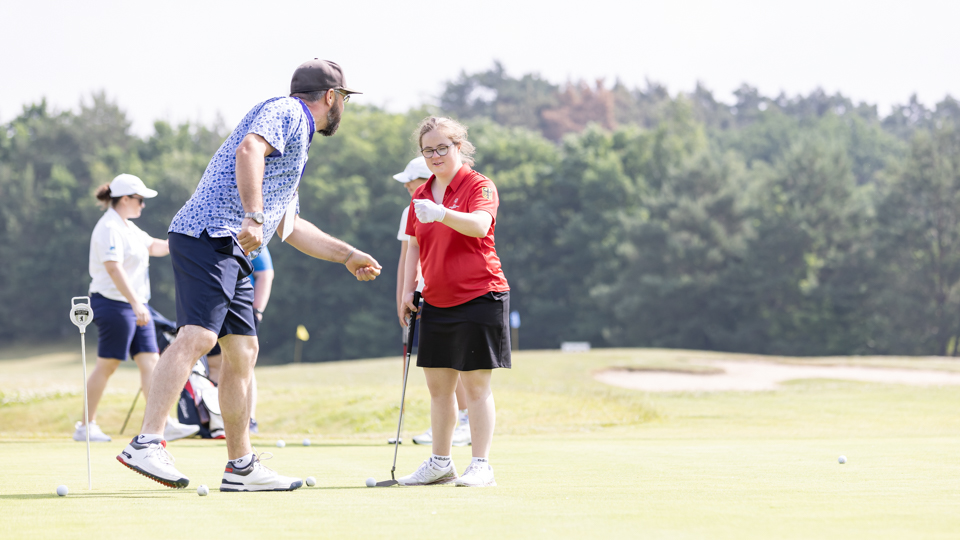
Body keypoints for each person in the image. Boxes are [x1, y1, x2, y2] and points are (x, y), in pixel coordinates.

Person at [117, 59, 382, 491]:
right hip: (210, 234)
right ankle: (148, 441)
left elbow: (291, 228)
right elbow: (249, 150)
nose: (343, 109)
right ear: (332, 98)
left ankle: (241, 467)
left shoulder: (296, 144)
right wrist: (253, 215)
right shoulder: (287, 111)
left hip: (232, 247)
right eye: (344, 101)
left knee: (242, 352)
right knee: (199, 336)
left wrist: (348, 255)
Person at [397, 117, 510, 487]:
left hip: (481, 293)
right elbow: (414, 244)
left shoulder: (480, 185)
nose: (435, 156)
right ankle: (441, 462)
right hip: (436, 299)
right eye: (428, 150)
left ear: (459, 147)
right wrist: (407, 290)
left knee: (476, 386)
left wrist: (443, 214)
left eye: (442, 148)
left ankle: (481, 465)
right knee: (439, 388)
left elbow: (479, 225)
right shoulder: (421, 194)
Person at [78, 174, 199, 444]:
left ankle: (163, 423)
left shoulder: (128, 226)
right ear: (124, 199)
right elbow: (113, 268)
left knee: (152, 363)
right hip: (113, 304)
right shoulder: (109, 226)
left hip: (135, 305)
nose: (142, 205)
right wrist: (135, 303)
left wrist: (186, 241)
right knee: (108, 365)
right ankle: (85, 425)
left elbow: (155, 246)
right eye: (140, 200)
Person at [392, 157, 470, 447]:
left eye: (411, 181)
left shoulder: (455, 205)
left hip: (451, 291)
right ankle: (448, 426)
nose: (407, 186)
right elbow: (407, 255)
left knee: (455, 361)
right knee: (438, 366)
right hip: (422, 293)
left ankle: (465, 421)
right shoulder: (410, 210)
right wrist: (404, 293)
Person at [205, 243, 274, 433]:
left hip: (241, 308)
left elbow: (265, 274)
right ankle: (218, 421)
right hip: (211, 305)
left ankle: (247, 420)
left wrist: (257, 310)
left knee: (243, 364)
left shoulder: (250, 239)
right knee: (213, 366)